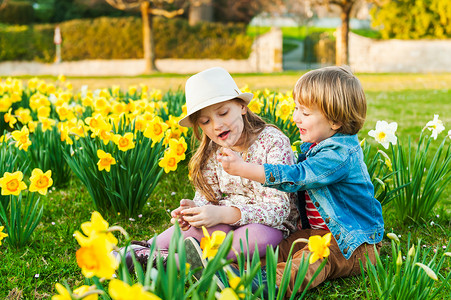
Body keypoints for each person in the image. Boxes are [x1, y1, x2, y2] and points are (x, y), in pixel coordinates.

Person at [217, 66, 384, 297]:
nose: (295, 118)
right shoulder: (318, 147)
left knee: (313, 258)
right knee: (283, 248)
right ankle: (232, 272)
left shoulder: (339, 155)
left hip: (354, 245)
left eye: (305, 113)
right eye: (296, 108)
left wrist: (243, 169)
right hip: (316, 232)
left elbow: (297, 177)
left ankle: (270, 285)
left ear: (335, 121)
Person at [127, 67, 299, 269]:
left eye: (223, 113)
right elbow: (208, 199)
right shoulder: (212, 151)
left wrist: (224, 214)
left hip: (270, 226)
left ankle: (181, 262)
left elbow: (279, 209)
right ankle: (142, 251)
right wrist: (194, 212)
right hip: (223, 220)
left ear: (242, 106)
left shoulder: (273, 142)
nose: (216, 125)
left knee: (256, 238)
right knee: (197, 230)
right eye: (206, 121)